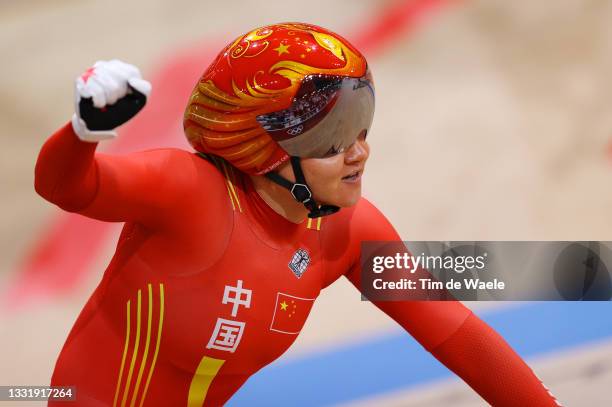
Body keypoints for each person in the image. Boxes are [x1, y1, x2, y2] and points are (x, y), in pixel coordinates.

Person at [35, 23, 561, 406]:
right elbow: (68, 188)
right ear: (260, 148)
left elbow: (458, 337)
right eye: (332, 139)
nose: (359, 153)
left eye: (361, 127)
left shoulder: (349, 231)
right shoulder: (188, 191)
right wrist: (84, 133)